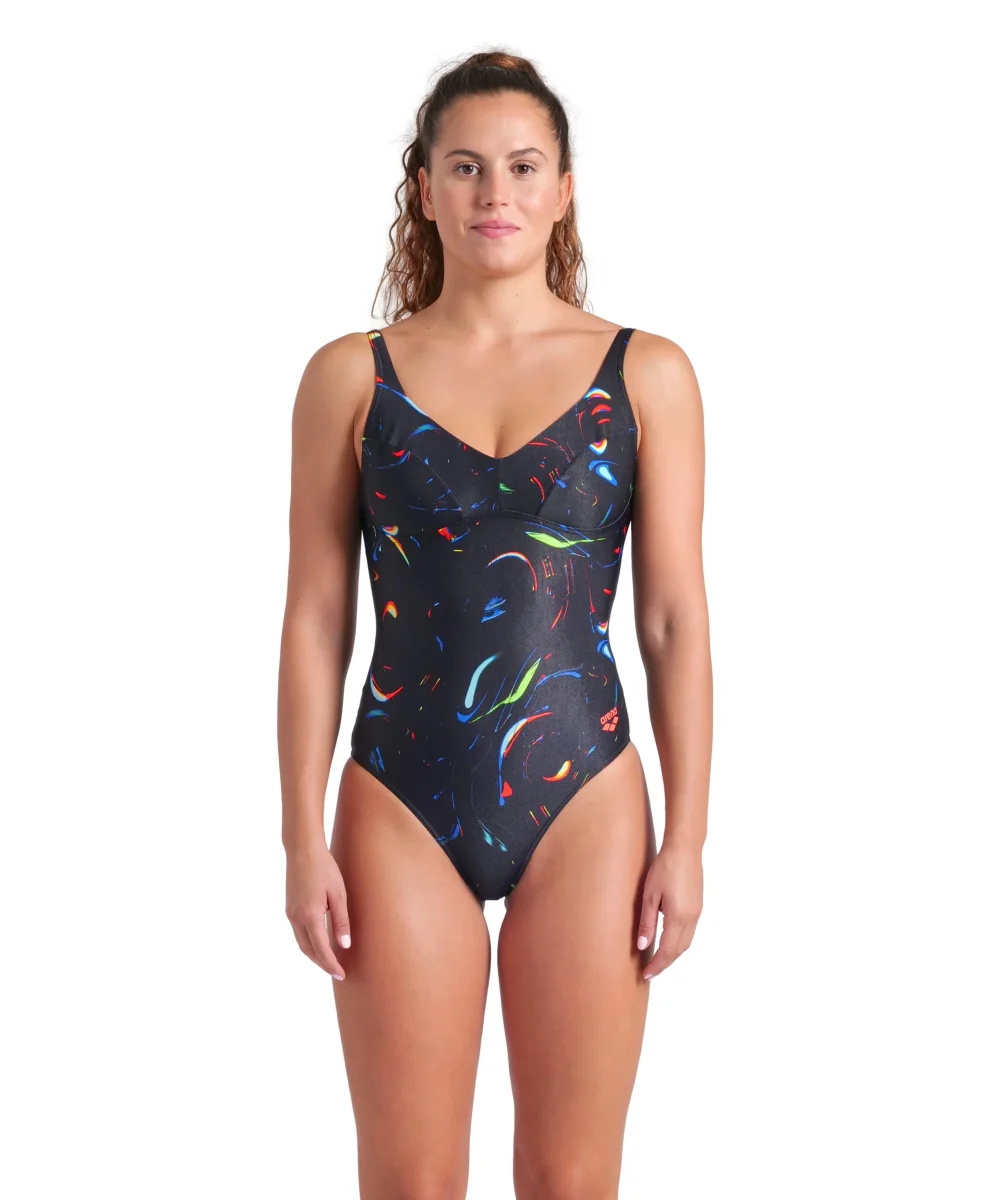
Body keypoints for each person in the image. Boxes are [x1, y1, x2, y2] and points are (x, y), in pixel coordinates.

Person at [278, 49, 712, 1200]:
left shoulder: (647, 375)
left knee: (570, 1182)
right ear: (425, 188)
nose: (494, 193)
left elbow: (673, 618)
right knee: (411, 1184)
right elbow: (315, 618)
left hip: (588, 796)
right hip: (399, 797)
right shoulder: (351, 379)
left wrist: (688, 838)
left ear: (564, 188)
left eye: (522, 167)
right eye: (466, 167)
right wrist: (299, 837)